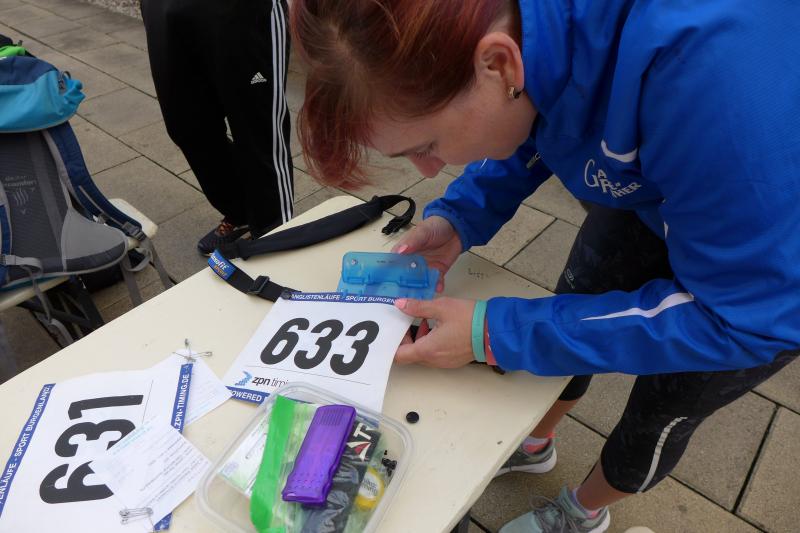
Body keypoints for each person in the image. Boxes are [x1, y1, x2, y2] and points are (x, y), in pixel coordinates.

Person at [291, 1, 800, 532]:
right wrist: (461, 218)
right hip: (656, 192)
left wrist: (496, 331)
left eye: (427, 145)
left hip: (771, 270)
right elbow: (537, 112)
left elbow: (741, 321)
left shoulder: (717, 87)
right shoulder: (531, 38)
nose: (429, 169)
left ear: (498, 64)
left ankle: (583, 511)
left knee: (663, 407)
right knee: (576, 308)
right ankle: (534, 443)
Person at [141, 0, 294, 255]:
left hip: (239, 10)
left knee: (259, 132)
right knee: (187, 126)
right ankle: (240, 212)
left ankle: (274, 236)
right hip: (163, 7)